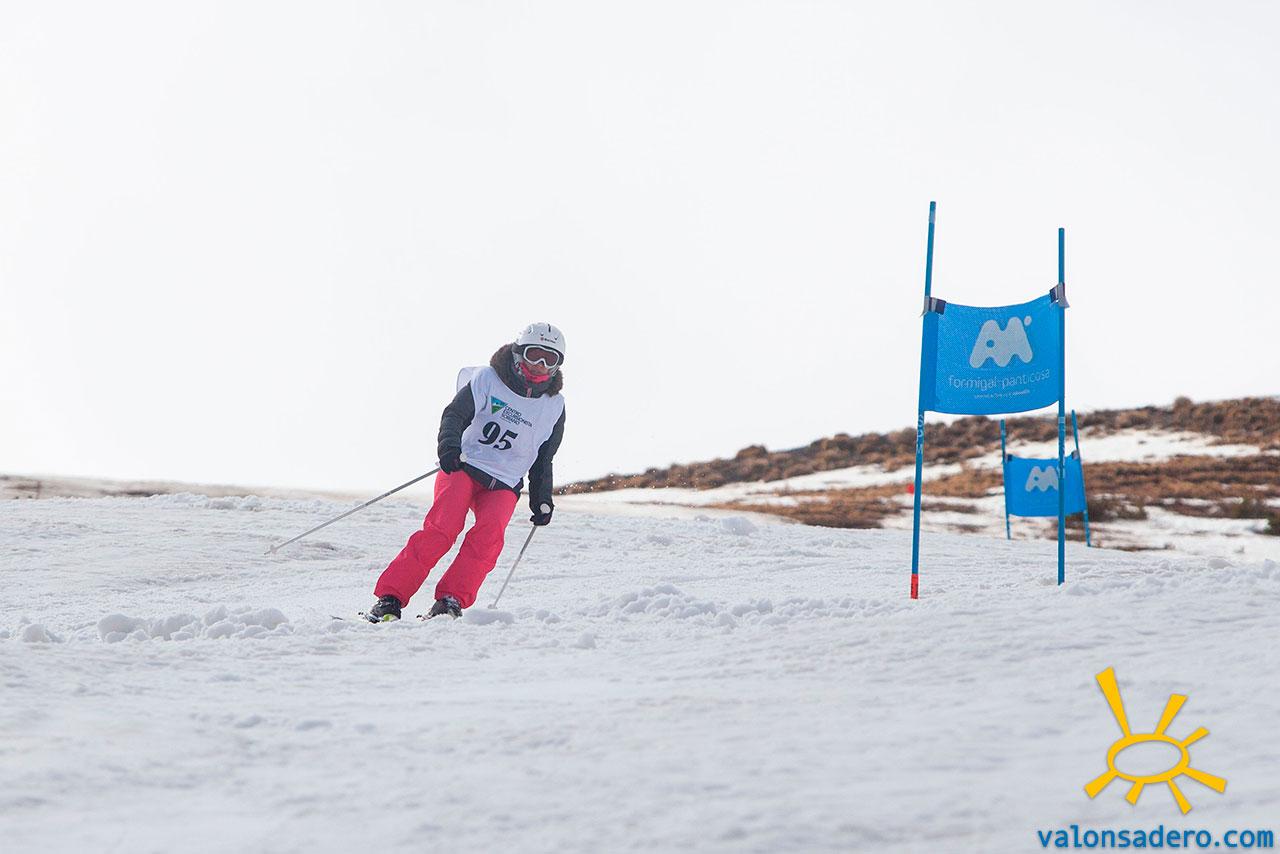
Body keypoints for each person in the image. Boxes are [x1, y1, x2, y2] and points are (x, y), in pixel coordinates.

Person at [366, 323, 567, 621]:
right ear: (518, 353)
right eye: (534, 354)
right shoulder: (488, 379)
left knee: (488, 539)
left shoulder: (554, 406)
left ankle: (450, 600)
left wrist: (541, 498)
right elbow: (455, 414)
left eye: (550, 359)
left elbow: (543, 458)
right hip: (464, 466)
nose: (540, 364)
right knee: (442, 529)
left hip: (504, 482)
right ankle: (390, 598)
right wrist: (448, 446)